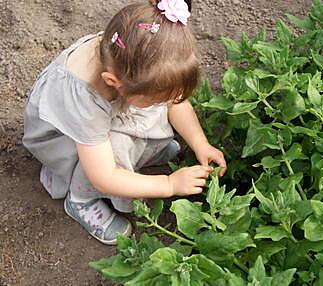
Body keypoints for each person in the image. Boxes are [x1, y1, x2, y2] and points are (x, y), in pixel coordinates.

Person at [22, 0, 227, 245]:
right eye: (158, 99)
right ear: (112, 81)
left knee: (150, 110)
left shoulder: (133, 53)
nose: (167, 102)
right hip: (63, 138)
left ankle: (143, 149)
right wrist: (169, 184)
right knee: (114, 148)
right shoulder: (84, 97)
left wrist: (200, 143)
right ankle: (80, 200)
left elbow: (174, 102)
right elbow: (104, 175)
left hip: (111, 108)